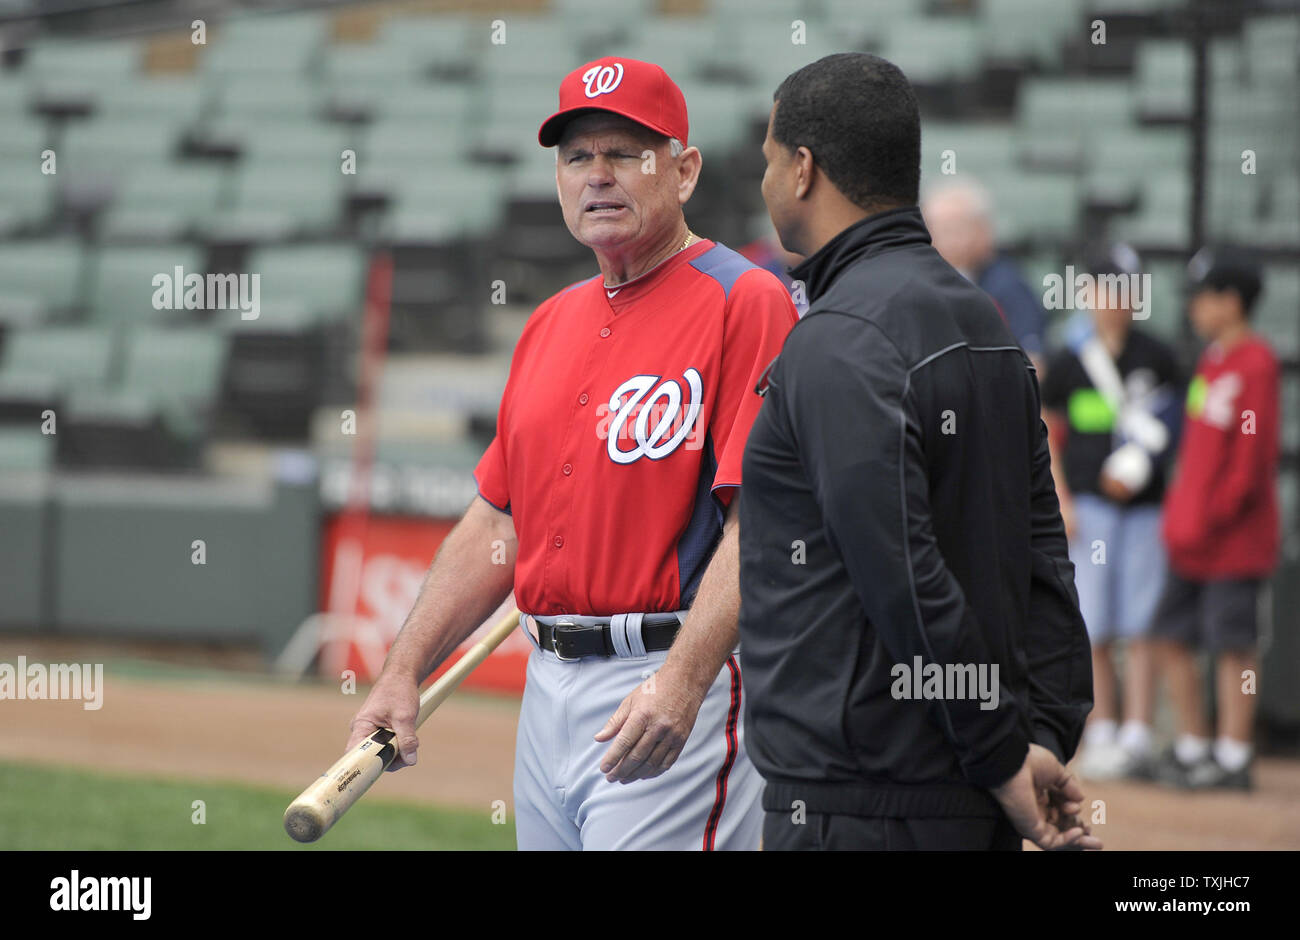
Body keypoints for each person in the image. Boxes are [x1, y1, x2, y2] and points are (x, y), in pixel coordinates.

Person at [345, 57, 798, 850]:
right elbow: (500, 517)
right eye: (576, 156)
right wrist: (402, 668)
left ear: (683, 170)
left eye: (625, 153)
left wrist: (683, 680)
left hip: (665, 677)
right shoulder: (550, 322)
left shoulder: (742, 298)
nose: (597, 175)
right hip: (545, 685)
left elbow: (759, 521)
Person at [738, 52, 1099, 852]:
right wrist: (1040, 734)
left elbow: (901, 572)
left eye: (768, 161)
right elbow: (1045, 554)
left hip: (858, 806)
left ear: (803, 169)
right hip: (962, 795)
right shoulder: (985, 322)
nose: (764, 184)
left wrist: (1005, 754)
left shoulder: (837, 340)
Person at [1040, 244, 1184, 782]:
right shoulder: (1068, 359)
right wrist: (1062, 498)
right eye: (1104, 289)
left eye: (1124, 289)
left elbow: (1174, 428)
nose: (1113, 301)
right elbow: (1048, 432)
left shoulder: (1158, 356)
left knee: (1141, 621)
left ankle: (1138, 733)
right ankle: (1100, 730)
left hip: (1145, 512)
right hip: (1090, 509)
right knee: (1094, 621)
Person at [1151, 246, 1279, 790]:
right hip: (1192, 534)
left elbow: (1249, 454)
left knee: (1232, 644)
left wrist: (1216, 511)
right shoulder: (1212, 360)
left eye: (1203, 297)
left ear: (1230, 301)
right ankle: (1194, 744)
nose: (1195, 308)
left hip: (1233, 538)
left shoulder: (1256, 362)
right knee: (1169, 636)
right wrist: (1185, 515)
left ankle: (1232, 755)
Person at [922, 178, 1049, 373]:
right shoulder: (916, 283)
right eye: (939, 229)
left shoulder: (1008, 286)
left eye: (957, 228)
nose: (949, 239)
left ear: (984, 230)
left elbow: (1034, 364)